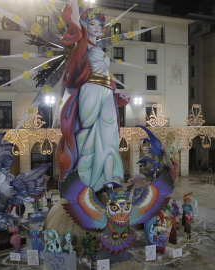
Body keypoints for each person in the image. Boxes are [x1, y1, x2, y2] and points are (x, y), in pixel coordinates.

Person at [56, 3, 130, 191]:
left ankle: (109, 176)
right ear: (85, 25)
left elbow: (106, 76)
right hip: (90, 91)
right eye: (92, 24)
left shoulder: (95, 47)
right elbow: (74, 68)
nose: (97, 28)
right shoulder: (82, 45)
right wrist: (74, 25)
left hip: (106, 92)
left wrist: (116, 92)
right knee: (87, 131)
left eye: (100, 24)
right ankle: (83, 177)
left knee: (109, 134)